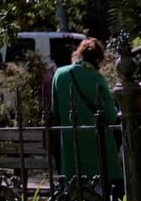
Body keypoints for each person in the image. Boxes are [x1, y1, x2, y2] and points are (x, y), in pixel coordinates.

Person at [51, 33, 122, 185]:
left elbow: (54, 110)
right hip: (98, 146)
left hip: (71, 142)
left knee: (75, 190)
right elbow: (110, 116)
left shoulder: (59, 74)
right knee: (102, 191)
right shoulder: (97, 78)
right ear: (98, 59)